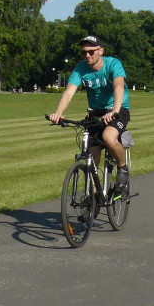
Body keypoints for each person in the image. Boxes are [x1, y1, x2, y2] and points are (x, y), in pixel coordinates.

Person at [48, 35, 131, 196]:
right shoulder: (80, 69)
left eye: (91, 51)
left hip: (118, 109)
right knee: (90, 150)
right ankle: (93, 195)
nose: (87, 55)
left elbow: (119, 85)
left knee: (108, 137)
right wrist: (58, 114)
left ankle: (122, 168)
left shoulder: (113, 64)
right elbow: (69, 91)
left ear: (101, 51)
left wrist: (114, 110)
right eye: (84, 52)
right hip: (95, 112)